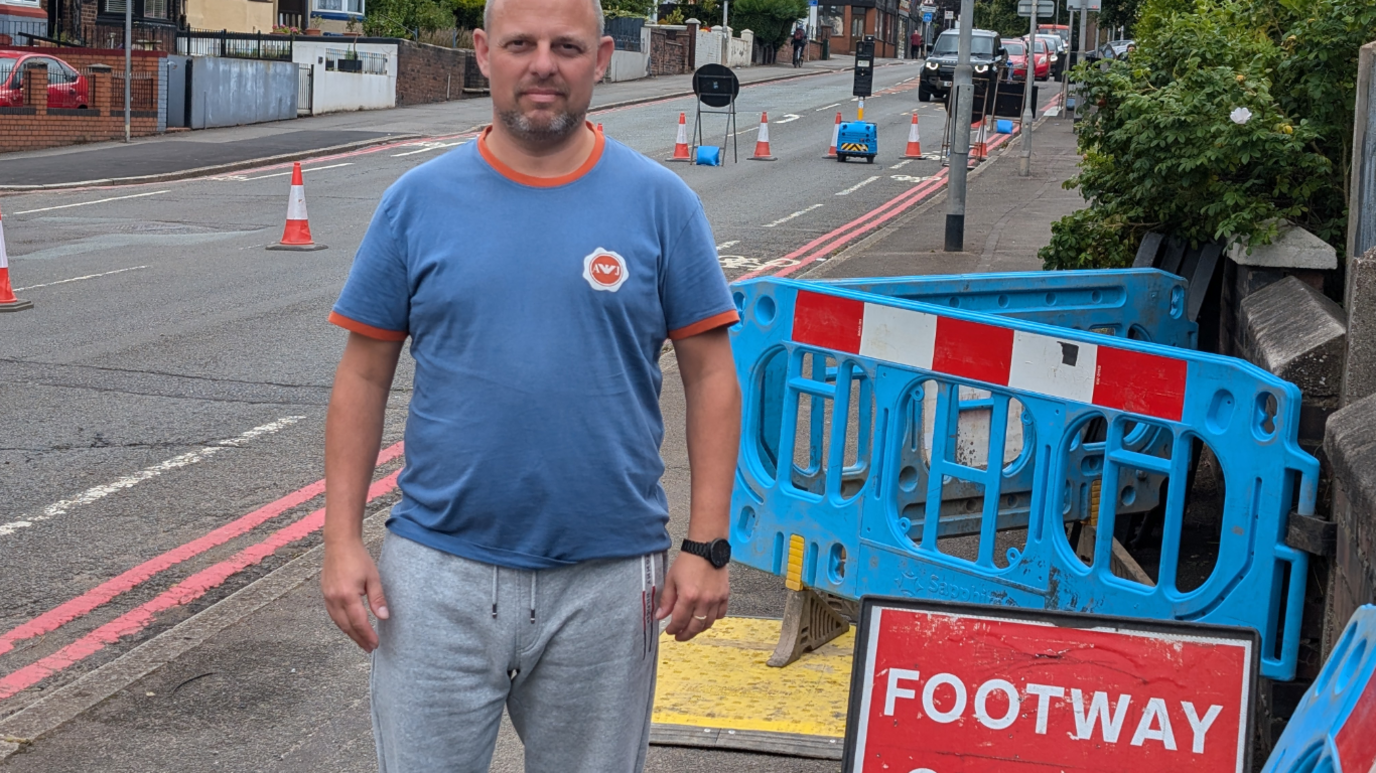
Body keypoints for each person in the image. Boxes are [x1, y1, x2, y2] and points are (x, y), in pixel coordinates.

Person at [319, 0, 742, 766]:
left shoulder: (662, 204)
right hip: (436, 576)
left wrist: (707, 545)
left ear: (602, 57)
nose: (543, 63)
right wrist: (340, 539)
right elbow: (362, 373)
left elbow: (711, 373)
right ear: (483, 52)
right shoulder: (416, 201)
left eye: (566, 46)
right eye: (520, 43)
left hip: (610, 577)